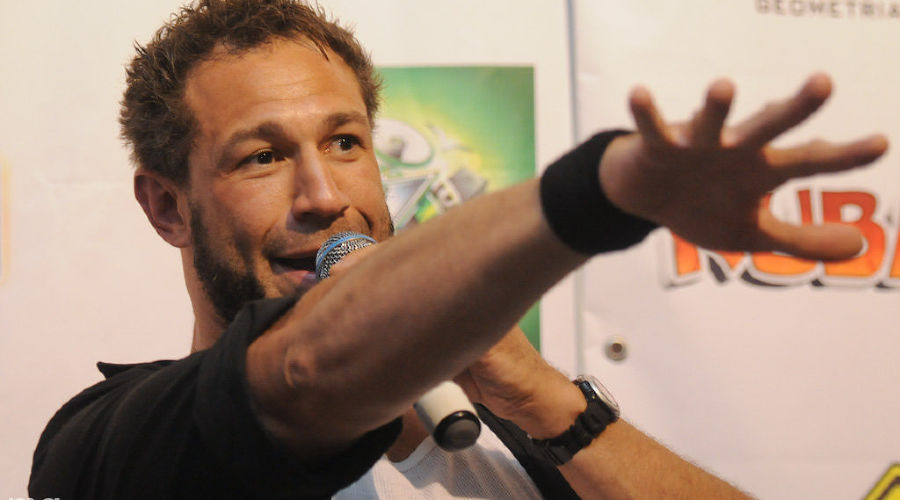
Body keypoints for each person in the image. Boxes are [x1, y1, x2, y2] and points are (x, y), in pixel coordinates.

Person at [28, 0, 888, 498]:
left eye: (345, 143)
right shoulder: (118, 444)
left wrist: (557, 409)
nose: (324, 196)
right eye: (262, 156)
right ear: (167, 206)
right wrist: (599, 195)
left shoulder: (505, 436)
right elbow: (303, 369)